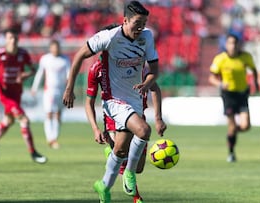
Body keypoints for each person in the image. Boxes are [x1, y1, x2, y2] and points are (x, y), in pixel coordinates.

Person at [62, 1, 159, 202]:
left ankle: (104, 186)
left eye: (143, 23)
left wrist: (146, 83)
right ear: (124, 20)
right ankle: (129, 174)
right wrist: (70, 87)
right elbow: (79, 55)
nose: (140, 28)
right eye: (137, 23)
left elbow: (155, 71)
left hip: (135, 100)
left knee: (121, 150)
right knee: (144, 131)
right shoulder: (108, 37)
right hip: (114, 101)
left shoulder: (147, 37)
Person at [85, 57, 166, 203]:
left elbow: (154, 87)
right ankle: (136, 197)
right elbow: (89, 102)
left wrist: (158, 118)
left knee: (138, 167)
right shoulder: (96, 69)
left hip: (137, 115)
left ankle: (111, 158)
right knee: (122, 153)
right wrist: (95, 128)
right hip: (114, 115)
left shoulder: (134, 64)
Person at [0, 28, 47, 164]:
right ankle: (33, 153)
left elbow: (33, 70)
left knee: (9, 120)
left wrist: (25, 75)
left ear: (18, 40)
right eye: (10, 38)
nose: (12, 41)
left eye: (15, 38)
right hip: (5, 94)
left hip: (17, 93)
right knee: (24, 120)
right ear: (6, 40)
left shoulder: (23, 54)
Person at [208, 34, 258, 163]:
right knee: (232, 124)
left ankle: (231, 133)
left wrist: (256, 84)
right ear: (226, 45)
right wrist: (220, 84)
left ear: (238, 45)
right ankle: (231, 152)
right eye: (230, 43)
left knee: (246, 126)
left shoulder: (245, 57)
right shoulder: (220, 59)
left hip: (242, 94)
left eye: (235, 43)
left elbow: (254, 70)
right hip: (228, 95)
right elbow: (211, 78)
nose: (233, 46)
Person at [31, 40, 70, 149]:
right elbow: (40, 74)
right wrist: (34, 87)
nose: (55, 50)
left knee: (58, 114)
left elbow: (69, 75)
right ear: (50, 48)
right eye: (53, 47)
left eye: (57, 47)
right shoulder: (45, 59)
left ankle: (54, 138)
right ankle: (50, 138)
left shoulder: (65, 59)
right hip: (49, 91)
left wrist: (69, 89)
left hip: (61, 91)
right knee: (49, 113)